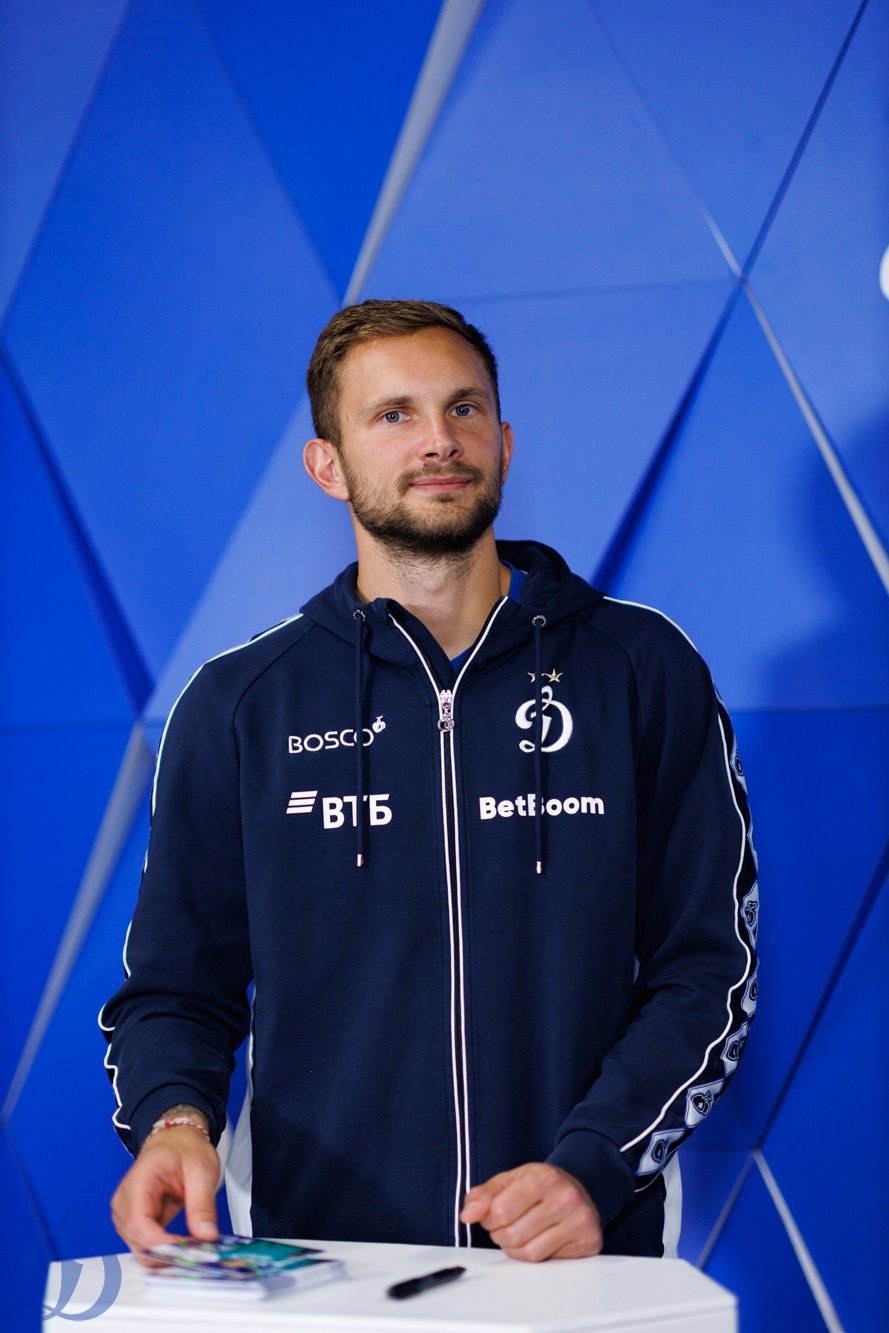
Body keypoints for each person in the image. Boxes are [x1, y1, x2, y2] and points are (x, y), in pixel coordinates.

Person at [101, 299, 757, 1264]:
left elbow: (707, 968)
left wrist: (594, 1165)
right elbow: (174, 986)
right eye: (393, 414)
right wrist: (173, 1121)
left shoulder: (639, 669)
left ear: (504, 441)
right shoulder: (241, 702)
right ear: (327, 465)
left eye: (464, 408)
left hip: (578, 1254)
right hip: (320, 1262)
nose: (439, 440)